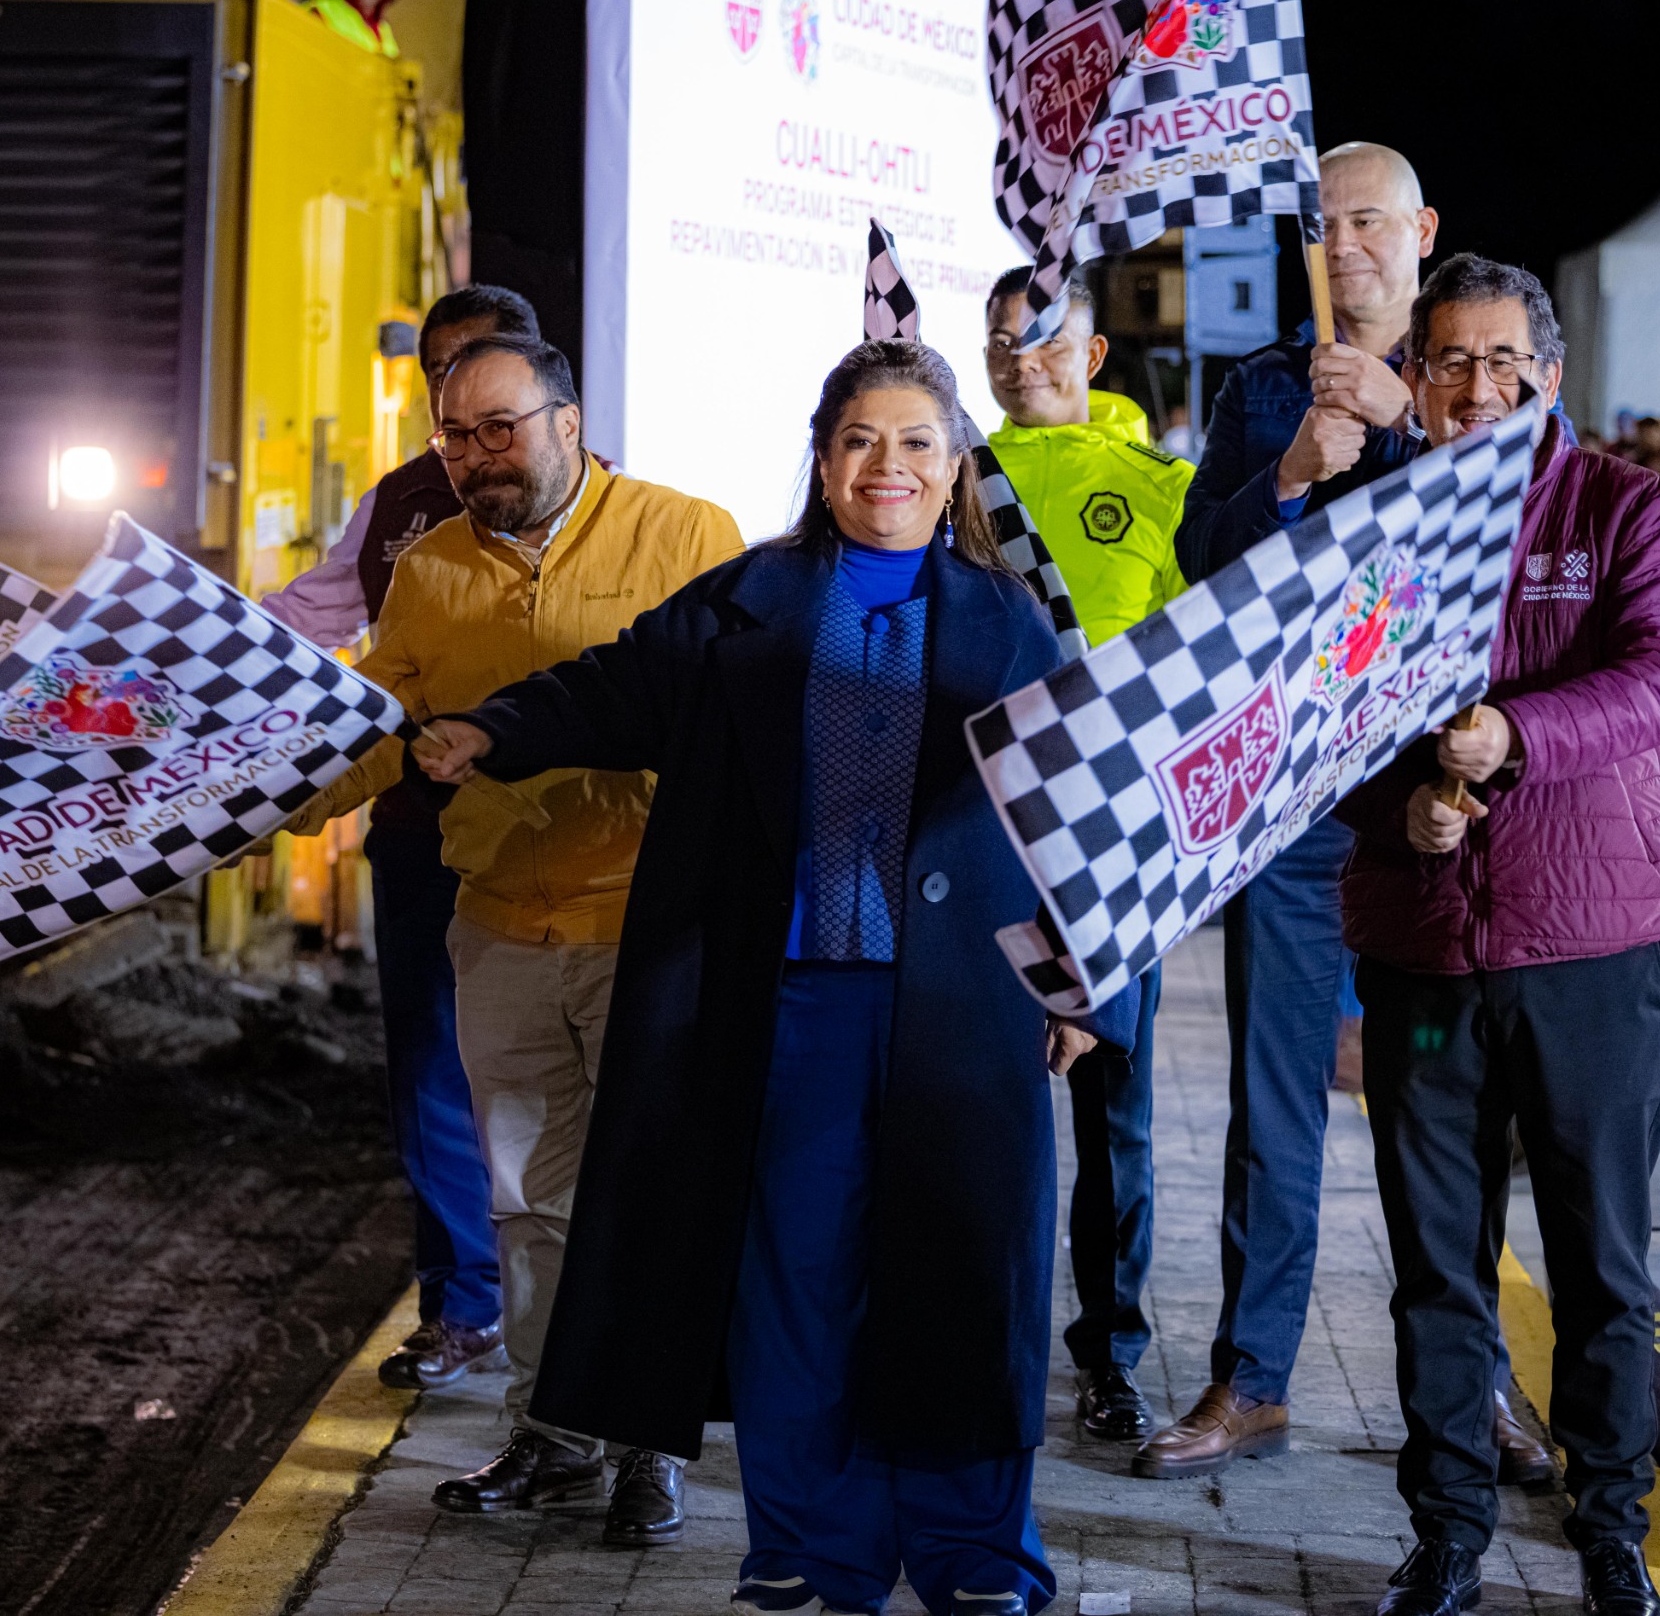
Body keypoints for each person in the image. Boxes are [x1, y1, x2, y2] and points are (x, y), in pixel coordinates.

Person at [417, 340, 1141, 1616]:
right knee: (795, 1289)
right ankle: (813, 1551)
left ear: (954, 466)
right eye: (859, 439)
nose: (885, 466)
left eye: (914, 442)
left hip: (963, 1016)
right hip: (786, 1011)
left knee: (966, 1282)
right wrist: (495, 730)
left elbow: (1091, 809)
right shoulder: (744, 602)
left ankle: (976, 1558)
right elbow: (611, 685)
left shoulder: (1012, 622)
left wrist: (1092, 987)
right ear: (822, 458)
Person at [285, 334, 744, 1541]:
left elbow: (738, 717)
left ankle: (651, 1451)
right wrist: (255, 803)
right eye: (454, 437)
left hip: (650, 928)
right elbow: (374, 726)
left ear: (567, 422)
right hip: (497, 928)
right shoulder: (431, 568)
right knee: (529, 1201)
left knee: (651, 1196)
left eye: (500, 428)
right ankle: (554, 1436)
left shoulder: (686, 534)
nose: (476, 456)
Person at [1158, 146, 1552, 1492]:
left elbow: (1524, 540)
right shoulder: (1265, 386)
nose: (1344, 243)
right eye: (1320, 223)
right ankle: (1253, 1375)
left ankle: (1472, 1382)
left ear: (1422, 228)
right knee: (1272, 1105)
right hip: (1295, 807)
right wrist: (1286, 472)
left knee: (1439, 1106)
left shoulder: (1477, 368)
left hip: (1435, 808)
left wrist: (1408, 426)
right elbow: (1198, 563)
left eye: (1370, 219)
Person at [1338, 255, 1660, 1616]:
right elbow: (1316, 719)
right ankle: (1447, 1533)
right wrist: (1398, 808)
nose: (1478, 386)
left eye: (1504, 361)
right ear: (1415, 378)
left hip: (1592, 948)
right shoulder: (1369, 524)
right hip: (1423, 952)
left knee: (1601, 1264)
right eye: (1451, 361)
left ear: (1549, 375)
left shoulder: (1628, 507)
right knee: (1436, 1266)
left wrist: (1513, 735)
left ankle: (1611, 1527)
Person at [264, 285, 541, 1397]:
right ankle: (462, 1305)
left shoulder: (609, 505)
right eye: (440, 373)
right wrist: (170, 642)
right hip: (421, 830)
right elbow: (304, 622)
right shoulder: (399, 507)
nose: (458, 392)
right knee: (431, 1064)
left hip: (558, 846)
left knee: (557, 1076)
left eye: (482, 365)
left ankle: (570, 1319)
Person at [981, 263, 1188, 1445]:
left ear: (1095, 354)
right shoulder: (958, 478)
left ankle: (1110, 1354)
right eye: (1002, 342)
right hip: (978, 839)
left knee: (1114, 1116)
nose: (1022, 361)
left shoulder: (1160, 487)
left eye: (1046, 339)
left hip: (1115, 846)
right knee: (975, 1098)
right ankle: (982, 1337)